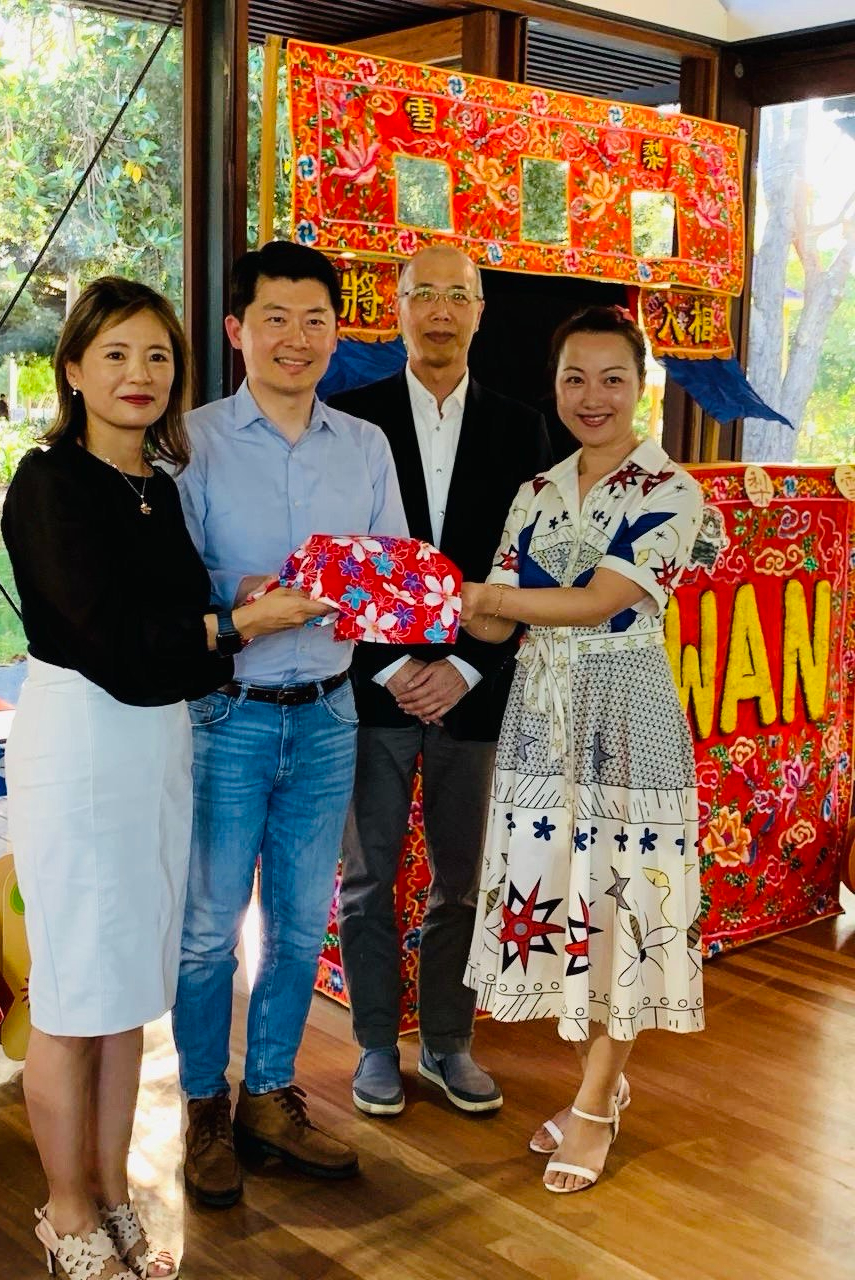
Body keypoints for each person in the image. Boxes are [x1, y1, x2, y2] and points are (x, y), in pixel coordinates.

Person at [2, 277, 327, 1280]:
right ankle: (64, 1210)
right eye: (115, 354)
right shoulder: (50, 481)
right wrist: (240, 624)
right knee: (73, 1000)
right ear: (72, 369)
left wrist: (241, 601)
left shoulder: (158, 483)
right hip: (82, 745)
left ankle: (110, 1190)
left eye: (157, 357)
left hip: (158, 746)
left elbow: (178, 621)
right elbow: (115, 641)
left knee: (124, 1000)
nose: (139, 375)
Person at [173, 241, 407, 1208]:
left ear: (337, 333)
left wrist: (371, 595)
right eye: (275, 318)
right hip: (225, 714)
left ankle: (269, 1096)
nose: (296, 338)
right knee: (207, 930)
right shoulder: (189, 442)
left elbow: (393, 574)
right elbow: (169, 586)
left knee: (303, 923)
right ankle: (201, 1105)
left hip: (328, 715)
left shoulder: (365, 446)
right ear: (238, 330)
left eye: (316, 320)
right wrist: (246, 595)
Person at [459, 304, 704, 1194]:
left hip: (628, 717)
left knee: (621, 906)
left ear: (643, 387)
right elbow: (495, 619)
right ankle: (601, 1081)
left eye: (612, 378)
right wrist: (426, 598)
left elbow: (600, 599)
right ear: (554, 386)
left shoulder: (670, 490)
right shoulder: (536, 490)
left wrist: (485, 598)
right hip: (540, 716)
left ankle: (596, 1105)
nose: (592, 396)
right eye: (574, 378)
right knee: (564, 900)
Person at [327, 246, 556, 1117]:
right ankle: (375, 1045)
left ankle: (448, 1042)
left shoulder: (523, 428)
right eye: (423, 293)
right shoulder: (351, 421)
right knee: (367, 878)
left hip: (475, 690)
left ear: (480, 311)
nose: (440, 311)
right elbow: (339, 566)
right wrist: (393, 666)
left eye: (458, 295)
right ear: (395, 306)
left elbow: (534, 568)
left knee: (461, 879)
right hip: (372, 686)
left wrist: (463, 667)